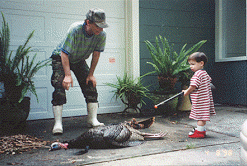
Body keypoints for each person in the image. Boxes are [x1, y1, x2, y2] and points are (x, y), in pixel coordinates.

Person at [50, 8, 109, 134]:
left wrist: (91, 74)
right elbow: (64, 54)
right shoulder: (75, 29)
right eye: (98, 26)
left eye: (102, 26)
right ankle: (58, 124)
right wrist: (67, 75)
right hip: (61, 58)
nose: (101, 29)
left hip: (79, 59)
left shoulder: (101, 35)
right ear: (88, 22)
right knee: (60, 86)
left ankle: (92, 120)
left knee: (90, 85)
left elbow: (96, 55)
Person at [183, 52, 216, 138]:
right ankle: (202, 130)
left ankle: (199, 133)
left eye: (193, 64)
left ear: (201, 63)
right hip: (205, 99)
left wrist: (187, 92)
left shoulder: (197, 74)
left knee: (200, 117)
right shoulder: (204, 73)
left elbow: (193, 86)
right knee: (203, 116)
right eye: (190, 64)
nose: (191, 66)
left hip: (200, 100)